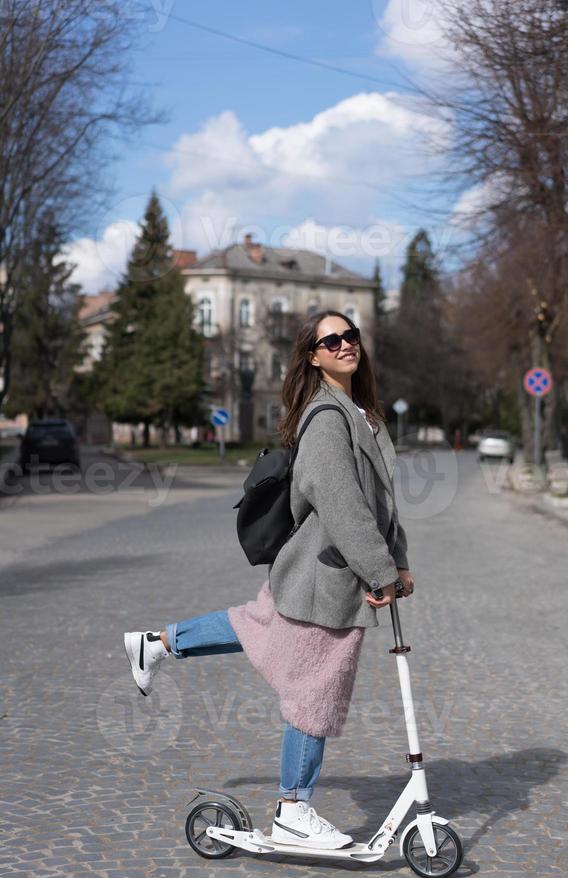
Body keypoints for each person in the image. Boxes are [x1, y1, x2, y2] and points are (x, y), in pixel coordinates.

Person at [123, 309, 414, 849]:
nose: (346, 344)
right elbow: (344, 505)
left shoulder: (360, 412)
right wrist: (378, 569)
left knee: (255, 627)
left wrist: (395, 560)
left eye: (351, 335)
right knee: (313, 690)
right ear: (313, 355)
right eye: (332, 340)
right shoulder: (327, 418)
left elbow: (381, 503)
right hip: (324, 577)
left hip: (317, 572)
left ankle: (157, 643)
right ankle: (292, 810)